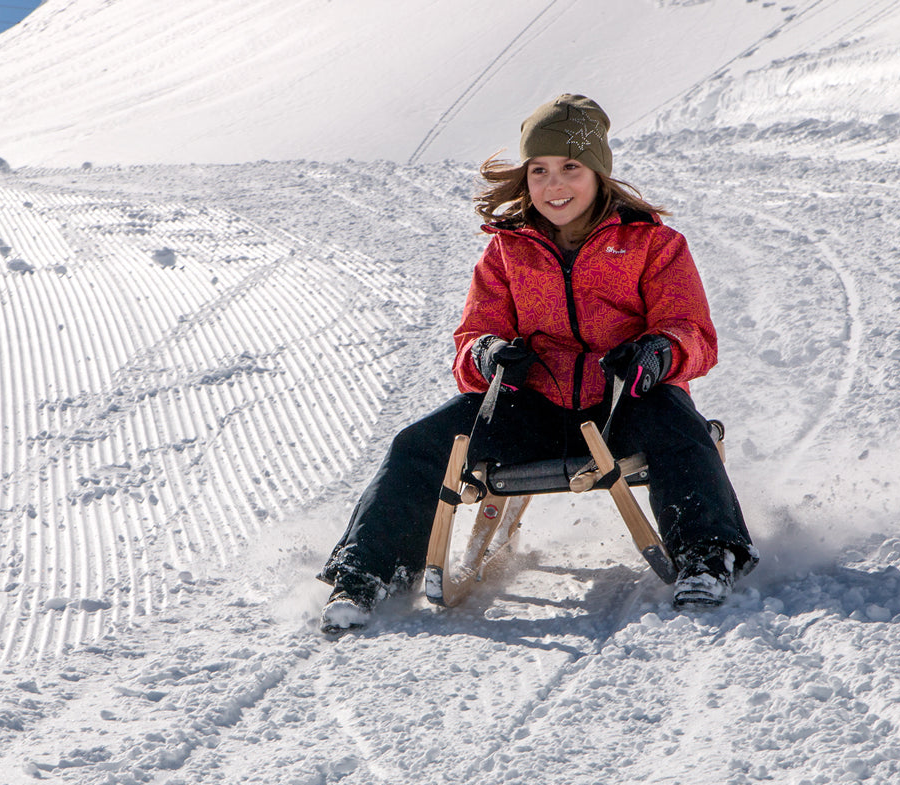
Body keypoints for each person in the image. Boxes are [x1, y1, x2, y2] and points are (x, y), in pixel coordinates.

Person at [318, 94, 757, 633]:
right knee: (420, 443)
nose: (554, 186)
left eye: (570, 168)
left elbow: (694, 333)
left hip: (624, 404)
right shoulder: (506, 252)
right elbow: (472, 341)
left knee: (679, 424)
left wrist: (658, 351)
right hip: (533, 410)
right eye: (539, 171)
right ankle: (366, 576)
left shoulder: (652, 245)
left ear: (598, 173)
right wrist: (489, 355)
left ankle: (710, 558)